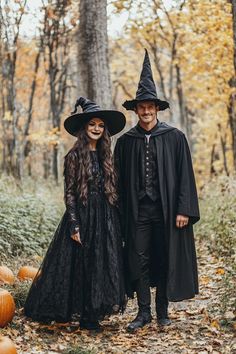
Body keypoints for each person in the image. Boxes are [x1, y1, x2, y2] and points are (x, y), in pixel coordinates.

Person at [114, 49, 200, 333]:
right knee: (138, 259)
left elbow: (185, 176)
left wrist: (184, 209)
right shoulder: (126, 143)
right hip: (137, 212)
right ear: (136, 110)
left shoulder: (174, 138)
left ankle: (162, 311)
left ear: (157, 109)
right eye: (142, 107)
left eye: (151, 107)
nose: (147, 111)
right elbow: (115, 181)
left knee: (164, 257)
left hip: (166, 211)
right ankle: (143, 313)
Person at [24, 97, 126, 331]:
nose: (97, 129)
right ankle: (74, 313)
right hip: (82, 215)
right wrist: (74, 225)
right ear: (84, 128)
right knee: (80, 265)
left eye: (100, 125)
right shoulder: (73, 156)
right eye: (92, 124)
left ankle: (91, 315)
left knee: (100, 263)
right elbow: (69, 193)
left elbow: (112, 190)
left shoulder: (106, 155)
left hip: (105, 216)